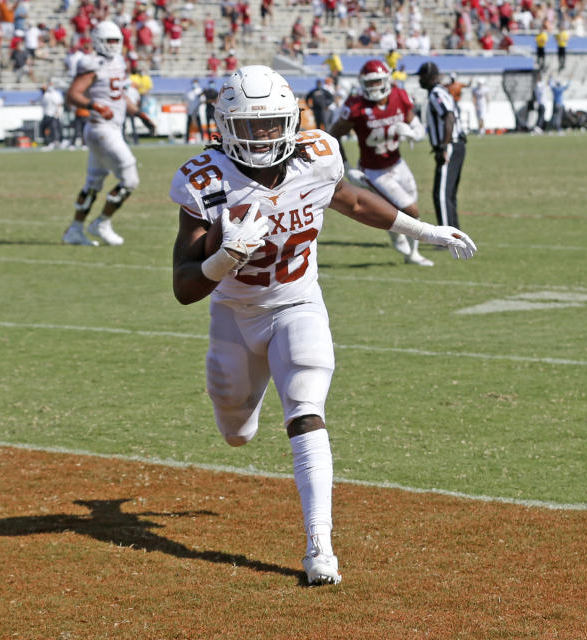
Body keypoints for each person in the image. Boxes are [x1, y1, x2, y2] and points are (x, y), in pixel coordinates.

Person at [168, 65, 477, 586]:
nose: (264, 136)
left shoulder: (316, 154)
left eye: (272, 124)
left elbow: (352, 200)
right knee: (236, 434)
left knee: (307, 408)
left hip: (297, 303)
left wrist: (424, 231)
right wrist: (225, 257)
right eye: (251, 125)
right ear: (223, 125)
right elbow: (183, 286)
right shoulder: (207, 179)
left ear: (290, 120)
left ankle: (320, 547)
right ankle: (252, 389)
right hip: (234, 315)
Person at [328, 59, 433, 266]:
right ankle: (413, 254)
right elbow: (333, 136)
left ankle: (401, 240)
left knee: (409, 203)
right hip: (375, 170)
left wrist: (412, 133)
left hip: (397, 162)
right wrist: (347, 168)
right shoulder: (356, 107)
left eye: (378, 81)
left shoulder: (399, 96)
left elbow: (417, 126)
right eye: (370, 82)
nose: (374, 86)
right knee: (411, 210)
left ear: (386, 80)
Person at [62, 20, 139, 247]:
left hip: (110, 128)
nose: (113, 45)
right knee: (130, 179)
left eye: (116, 40)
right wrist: (95, 105)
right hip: (101, 129)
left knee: (93, 183)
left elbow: (119, 95)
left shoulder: (119, 62)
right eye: (109, 41)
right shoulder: (92, 63)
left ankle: (75, 230)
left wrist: (140, 114)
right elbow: (72, 95)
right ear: (97, 42)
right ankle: (102, 222)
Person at [420, 61, 467, 231]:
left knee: (441, 195)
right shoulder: (441, 91)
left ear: (430, 77)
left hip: (451, 146)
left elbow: (449, 116)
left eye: (422, 76)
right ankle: (455, 233)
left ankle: (447, 237)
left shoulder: (436, 94)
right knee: (448, 195)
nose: (419, 80)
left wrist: (443, 146)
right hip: (456, 144)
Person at [40, 81, 64, 147]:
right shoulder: (46, 94)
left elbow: (59, 104)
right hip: (47, 114)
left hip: (53, 115)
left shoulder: (55, 94)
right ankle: (48, 142)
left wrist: (58, 112)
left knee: (54, 129)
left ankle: (56, 141)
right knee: (45, 129)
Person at [184, 77, 204, 143]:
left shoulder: (200, 91)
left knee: (199, 125)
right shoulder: (189, 92)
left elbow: (202, 100)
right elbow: (187, 101)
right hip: (190, 111)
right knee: (188, 126)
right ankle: (186, 140)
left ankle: (202, 138)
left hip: (197, 111)